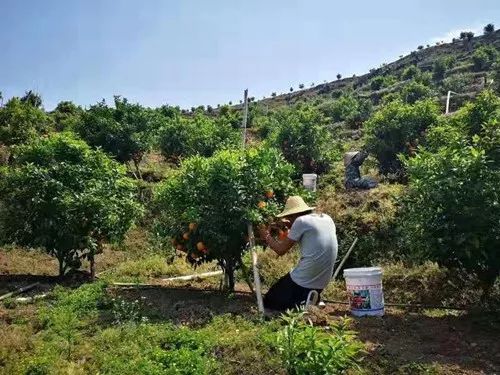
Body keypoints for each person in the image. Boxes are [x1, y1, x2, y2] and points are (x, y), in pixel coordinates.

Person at [258, 196, 338, 311]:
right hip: (322, 282)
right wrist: (287, 226)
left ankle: (301, 305)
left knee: (270, 300)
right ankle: (311, 301)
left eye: (289, 218)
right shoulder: (327, 218)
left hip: (303, 280)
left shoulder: (301, 221)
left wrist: (266, 235)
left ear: (294, 215)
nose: (288, 221)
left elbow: (280, 250)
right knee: (294, 297)